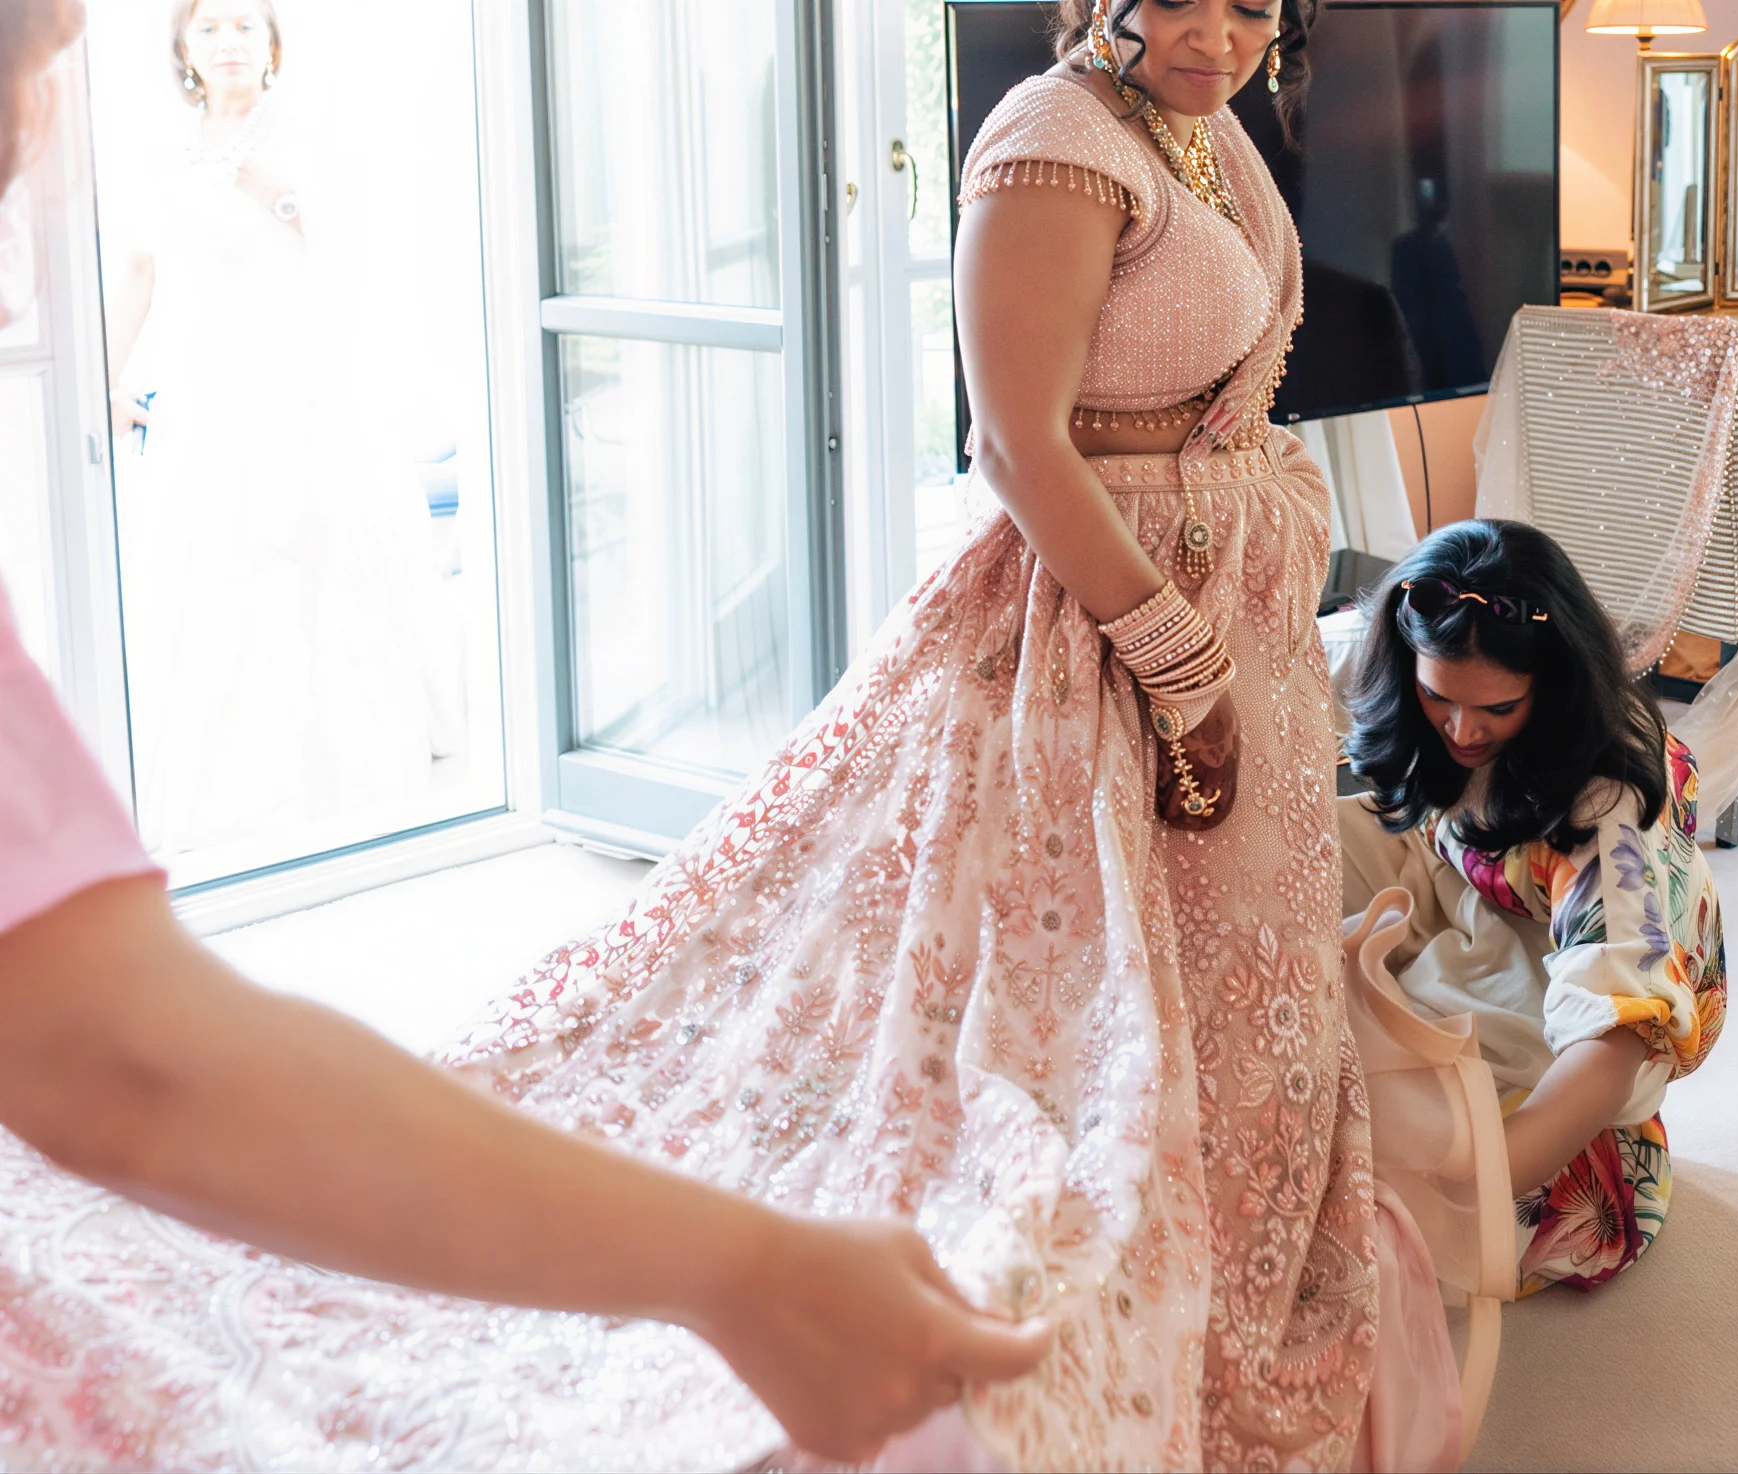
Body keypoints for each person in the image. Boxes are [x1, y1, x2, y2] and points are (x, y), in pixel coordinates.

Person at [9, 0, 1423, 1467]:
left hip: (1225, 601)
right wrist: (1174, 655)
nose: (1219, 32)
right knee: (1042, 1019)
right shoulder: (1055, 142)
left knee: (1226, 982)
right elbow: (1015, 439)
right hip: (1096, 626)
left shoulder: (1204, 136)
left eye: (1253, 7)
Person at [1340, 519, 1729, 1291]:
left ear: (1552, 687)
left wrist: (1482, 1167)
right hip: (1485, 912)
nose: (1459, 728)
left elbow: (1613, 1037)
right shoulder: (1429, 698)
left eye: (1496, 709)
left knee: (1390, 1193)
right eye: (1435, 696)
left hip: (1574, 1006)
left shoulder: (1607, 809)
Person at [104, 0, 437, 861]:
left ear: (273, 44)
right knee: (209, 564)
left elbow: (362, 257)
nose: (229, 43)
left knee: (302, 558)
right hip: (201, 391)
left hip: (297, 383)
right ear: (183, 47)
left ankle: (324, 772)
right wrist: (107, 376)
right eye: (210, 28)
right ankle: (221, 775)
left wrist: (285, 198)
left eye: (246, 26)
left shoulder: (310, 132)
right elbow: (139, 268)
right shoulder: (164, 148)